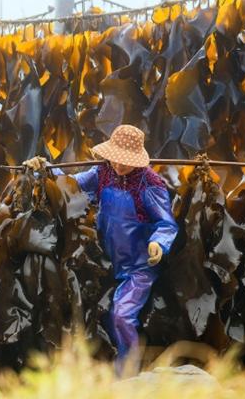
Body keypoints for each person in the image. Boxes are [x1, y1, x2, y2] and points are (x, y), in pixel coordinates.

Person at [23, 124, 179, 376]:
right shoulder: (102, 172)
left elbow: (166, 223)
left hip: (138, 267)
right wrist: (43, 171)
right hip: (105, 260)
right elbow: (69, 184)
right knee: (89, 313)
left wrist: (159, 242)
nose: (118, 166)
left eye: (125, 162)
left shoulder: (150, 184)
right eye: (115, 159)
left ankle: (127, 373)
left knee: (121, 315)